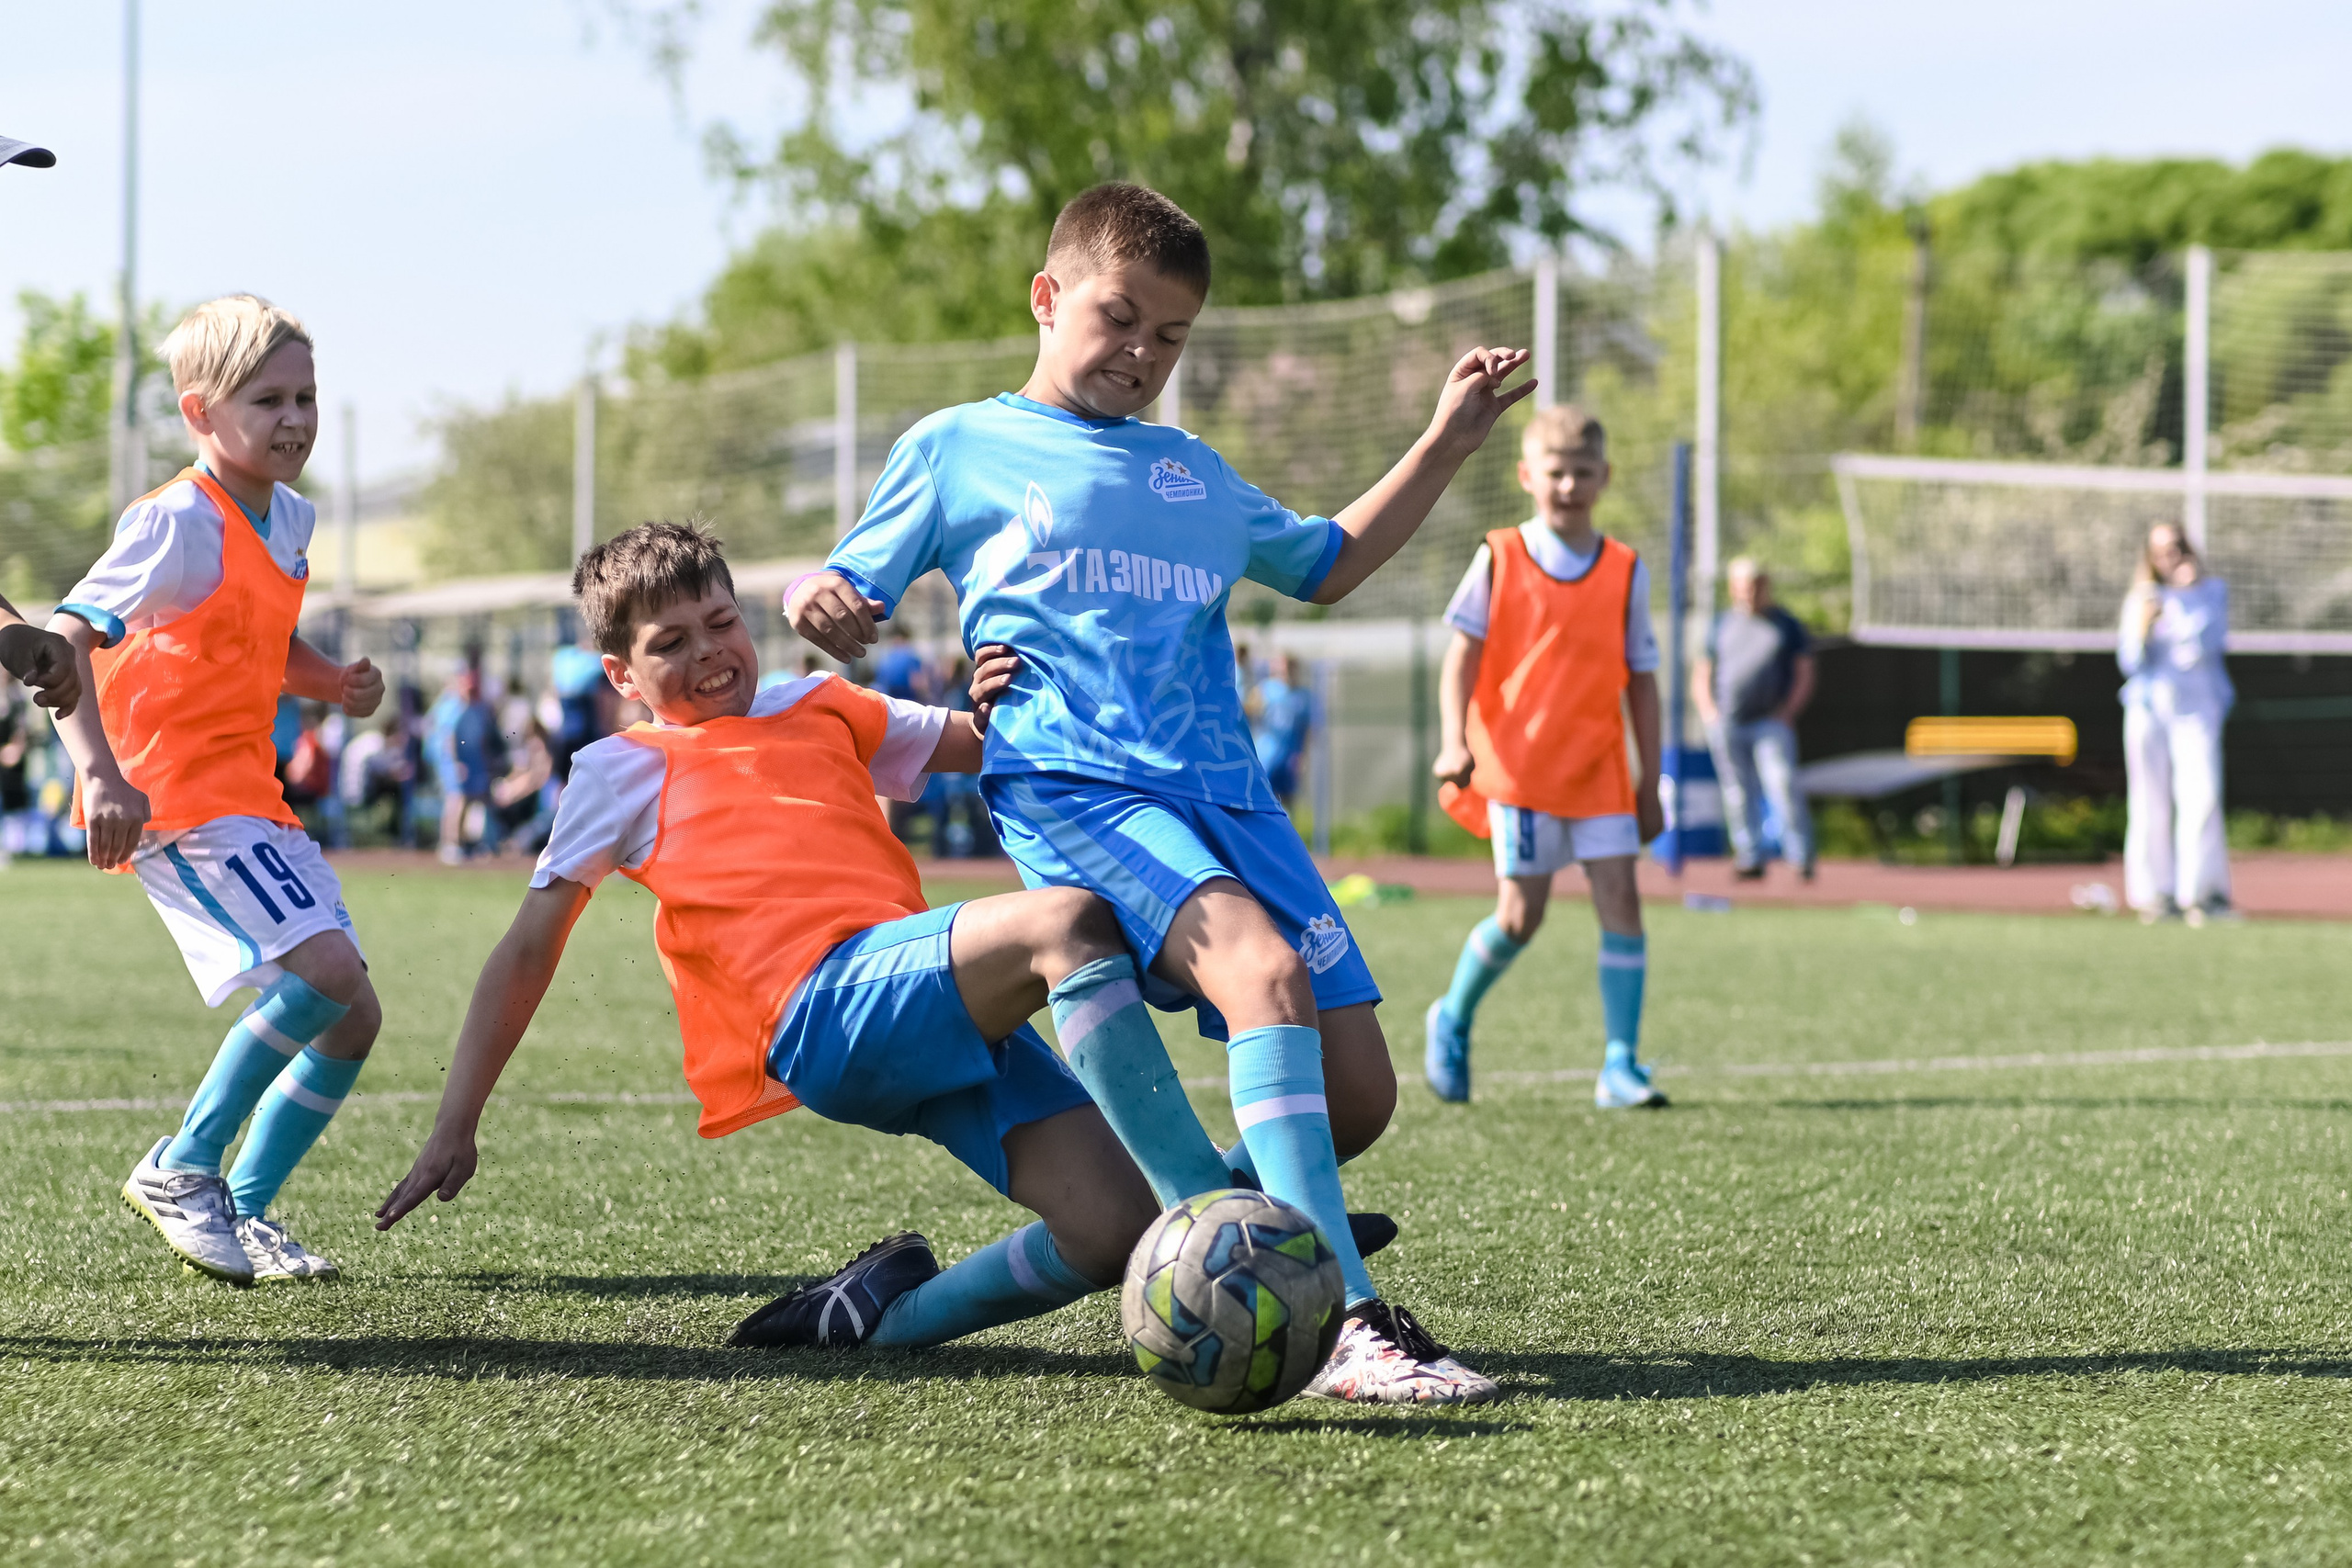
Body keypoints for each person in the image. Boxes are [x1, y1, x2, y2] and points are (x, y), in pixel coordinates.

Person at [790, 181, 1530, 1404]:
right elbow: (839, 589)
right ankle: (1343, 1318)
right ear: (1047, 296)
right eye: (1119, 318)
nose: (1142, 352)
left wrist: (1446, 442)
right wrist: (817, 603)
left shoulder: (1193, 470)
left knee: (1355, 1094)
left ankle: (1206, 1249)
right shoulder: (961, 445)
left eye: (1170, 336)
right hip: (1080, 783)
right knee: (1264, 974)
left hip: (1229, 800)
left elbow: (1328, 563)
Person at [381, 522, 1250, 1354]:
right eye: (670, 643)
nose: (708, 652)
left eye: (721, 622)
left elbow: (985, 744)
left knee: (1111, 1231)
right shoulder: (619, 771)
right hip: (820, 1012)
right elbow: (529, 948)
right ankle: (1226, 1222)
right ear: (622, 674)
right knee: (1061, 923)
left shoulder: (823, 703)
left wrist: (1000, 699)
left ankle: (875, 1319)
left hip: (919, 1001)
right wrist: (456, 1120)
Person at [44, 294, 385, 1285]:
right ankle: (181, 1166)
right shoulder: (172, 522)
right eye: (267, 399)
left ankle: (241, 1209)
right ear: (200, 415)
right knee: (322, 972)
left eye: (306, 397)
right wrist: (100, 775)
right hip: (172, 796)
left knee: (354, 1012)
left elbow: (255, 641)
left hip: (248, 791)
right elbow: (64, 642)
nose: (294, 419)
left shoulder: (289, 517)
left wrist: (329, 682)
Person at [1427, 405, 1668, 1111]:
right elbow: (1460, 658)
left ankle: (1620, 1063)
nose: (1569, 485)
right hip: (1521, 770)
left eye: (1583, 472)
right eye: (1556, 472)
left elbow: (1644, 681)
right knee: (1519, 916)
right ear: (1528, 475)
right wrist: (1454, 739)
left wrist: (1651, 779)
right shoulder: (1499, 555)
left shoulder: (1625, 569)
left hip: (1599, 772)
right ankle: (1453, 1014)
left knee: (1621, 900)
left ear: (1605, 477)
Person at [2119, 521, 2233, 924]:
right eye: (2160, 551)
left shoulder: (2211, 593)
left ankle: (2203, 894)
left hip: (2197, 710)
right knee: (2150, 803)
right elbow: (2129, 662)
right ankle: (2154, 895)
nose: (2170, 557)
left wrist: (2188, 595)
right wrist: (2144, 627)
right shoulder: (2142, 598)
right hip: (2150, 710)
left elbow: (2209, 642)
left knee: (2202, 796)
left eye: (2176, 548)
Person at [1694, 557, 1815, 880]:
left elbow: (1805, 672)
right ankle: (1750, 856)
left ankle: (1799, 857)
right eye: (1744, 586)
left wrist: (1787, 711)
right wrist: (1709, 712)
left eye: (1757, 585)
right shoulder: (1721, 624)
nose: (1750, 593)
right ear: (1734, 589)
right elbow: (1703, 671)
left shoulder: (1786, 625)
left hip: (1769, 723)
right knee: (1737, 791)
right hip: (1728, 722)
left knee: (1782, 784)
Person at [1252, 653, 1314, 810]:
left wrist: (1303, 756)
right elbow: (1247, 713)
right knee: (1265, 796)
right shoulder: (1265, 689)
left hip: (1290, 755)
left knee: (1287, 799)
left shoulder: (1303, 696)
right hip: (1267, 753)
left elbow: (1307, 728)